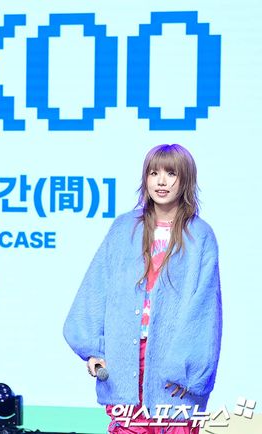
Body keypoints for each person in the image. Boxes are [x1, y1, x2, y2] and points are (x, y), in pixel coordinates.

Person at [63, 144, 222, 434]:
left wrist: (188, 368)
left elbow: (205, 310)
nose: (161, 181)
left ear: (185, 180)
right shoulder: (124, 228)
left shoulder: (200, 236)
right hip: (126, 358)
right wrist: (93, 349)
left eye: (171, 174)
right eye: (153, 173)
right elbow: (96, 288)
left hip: (174, 365)